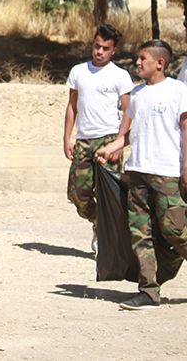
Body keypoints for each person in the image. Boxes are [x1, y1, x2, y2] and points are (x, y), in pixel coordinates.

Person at [96, 40, 187, 310]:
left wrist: (186, 167)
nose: (137, 62)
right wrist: (111, 148)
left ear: (160, 63)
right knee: (140, 233)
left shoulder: (178, 90)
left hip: (167, 174)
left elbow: (185, 131)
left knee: (175, 231)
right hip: (137, 172)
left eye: (143, 58)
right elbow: (131, 133)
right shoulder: (136, 94)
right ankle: (148, 291)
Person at [63, 24, 133, 250]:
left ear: (113, 50)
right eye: (97, 46)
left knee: (108, 193)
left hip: (109, 139)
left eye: (105, 48)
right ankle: (99, 223)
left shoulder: (120, 75)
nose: (99, 51)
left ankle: (110, 241)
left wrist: (119, 144)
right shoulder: (79, 72)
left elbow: (128, 111)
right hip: (84, 140)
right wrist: (67, 138)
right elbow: (72, 106)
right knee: (76, 193)